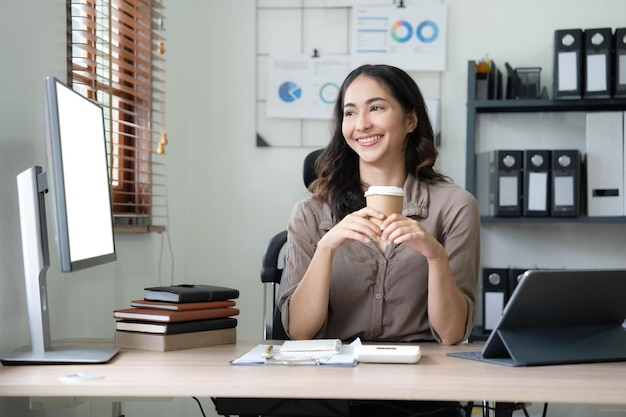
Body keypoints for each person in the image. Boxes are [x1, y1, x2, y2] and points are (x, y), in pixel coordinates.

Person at [277, 64, 480, 416]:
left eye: (376, 108)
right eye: (350, 112)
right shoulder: (310, 213)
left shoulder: (455, 206)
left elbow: (451, 335)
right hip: (330, 392)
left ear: (410, 120)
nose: (362, 124)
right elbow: (299, 332)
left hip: (423, 392)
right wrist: (326, 248)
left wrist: (435, 256)